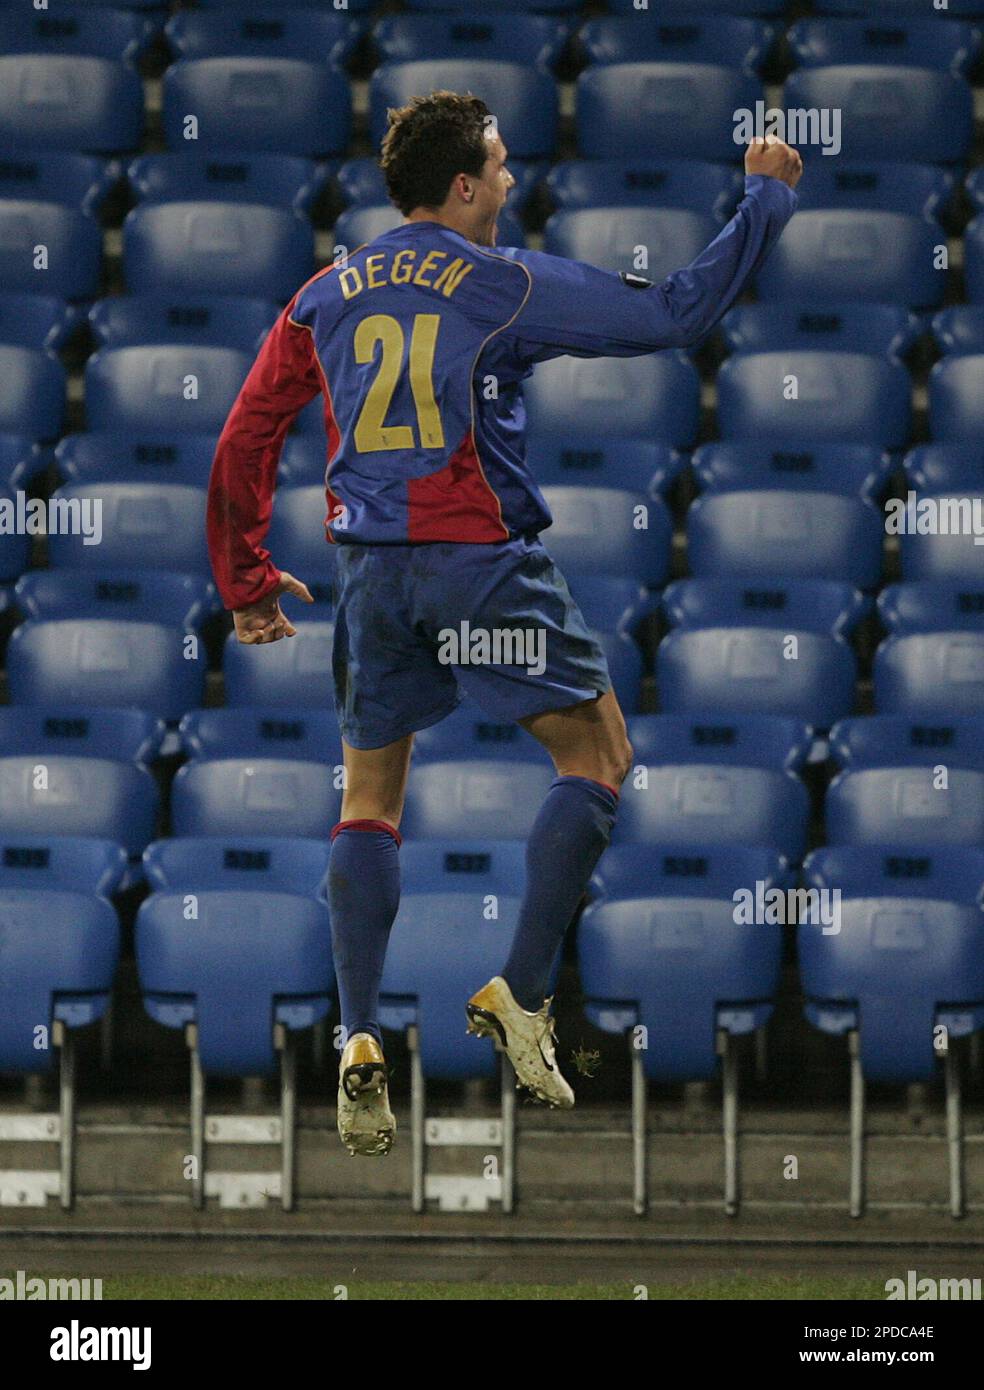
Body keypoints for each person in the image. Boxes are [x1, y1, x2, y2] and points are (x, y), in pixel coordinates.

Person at [206, 91, 802, 1156]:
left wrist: (245, 576)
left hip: (370, 577)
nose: (515, 177)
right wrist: (762, 202)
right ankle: (519, 994)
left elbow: (247, 431)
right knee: (600, 752)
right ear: (466, 187)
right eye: (500, 161)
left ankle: (356, 1035)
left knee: (370, 798)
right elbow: (675, 313)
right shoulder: (499, 286)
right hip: (480, 566)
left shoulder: (324, 293)